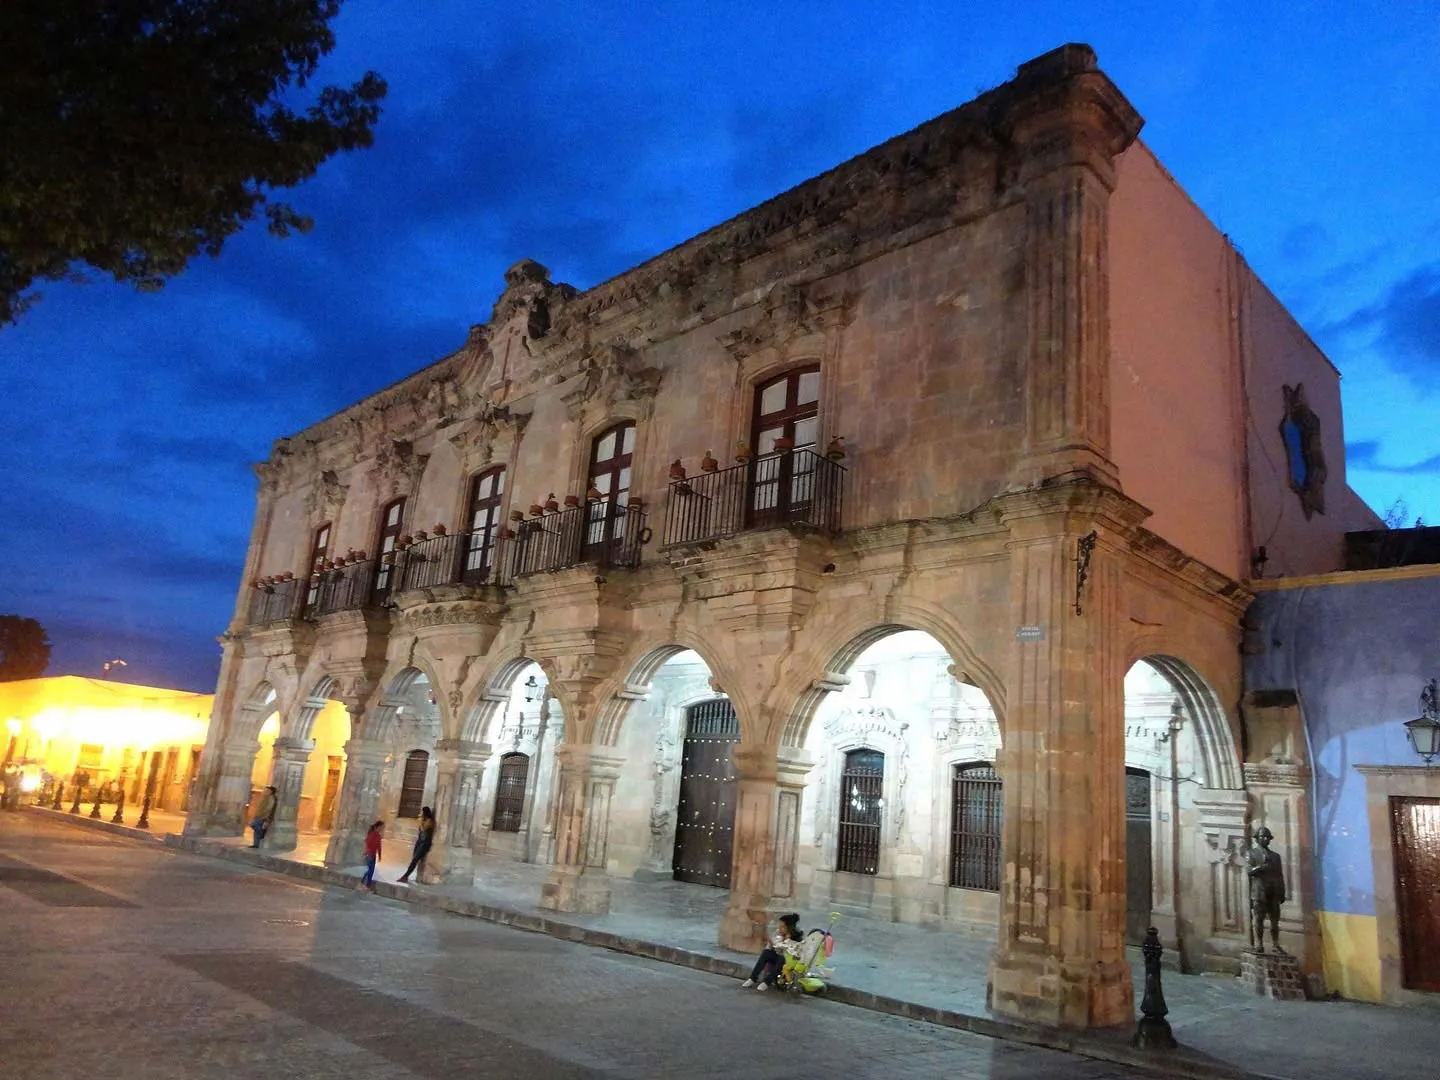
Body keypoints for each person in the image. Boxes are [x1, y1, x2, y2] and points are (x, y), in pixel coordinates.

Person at [741, 912, 803, 991]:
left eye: (782, 927)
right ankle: (752, 978)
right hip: (777, 955)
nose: (779, 928)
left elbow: (796, 953)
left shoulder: (797, 939)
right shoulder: (778, 933)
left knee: (782, 958)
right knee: (766, 953)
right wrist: (772, 944)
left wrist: (786, 945)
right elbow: (771, 946)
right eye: (780, 926)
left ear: (789, 928)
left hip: (788, 961)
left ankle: (767, 982)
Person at [398, 806, 435, 884]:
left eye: (422, 812)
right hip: (420, 842)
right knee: (414, 859)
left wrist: (421, 821)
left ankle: (405, 876)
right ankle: (406, 876)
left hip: (424, 844)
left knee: (415, 860)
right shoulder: (425, 820)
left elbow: (423, 829)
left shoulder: (429, 821)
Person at [360, 820, 384, 892]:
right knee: (370, 871)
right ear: (378, 826)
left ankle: (364, 884)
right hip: (370, 854)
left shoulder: (376, 834)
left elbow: (378, 847)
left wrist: (379, 856)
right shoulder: (374, 834)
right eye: (382, 827)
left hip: (372, 854)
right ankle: (365, 885)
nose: (382, 828)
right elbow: (370, 843)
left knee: (371, 870)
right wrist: (367, 851)